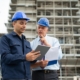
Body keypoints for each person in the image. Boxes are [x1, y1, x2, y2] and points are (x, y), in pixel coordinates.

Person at [0, 11, 40, 80]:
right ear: (14, 23)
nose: (24, 26)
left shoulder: (27, 43)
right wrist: (25, 57)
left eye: (25, 23)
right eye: (21, 23)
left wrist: (35, 57)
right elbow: (5, 57)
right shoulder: (5, 39)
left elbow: (29, 61)